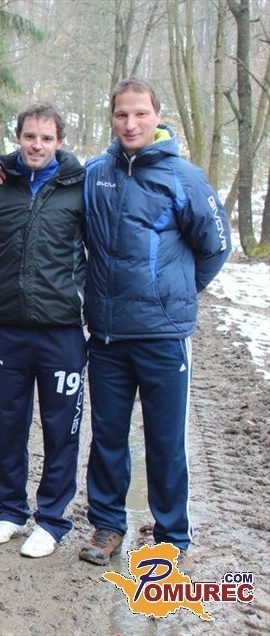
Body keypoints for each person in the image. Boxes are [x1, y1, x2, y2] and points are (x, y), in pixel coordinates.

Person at [78, 78, 231, 565]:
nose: (131, 123)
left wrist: (177, 292)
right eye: (122, 114)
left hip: (163, 337)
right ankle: (107, 526)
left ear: (157, 116)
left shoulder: (184, 177)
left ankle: (171, 535)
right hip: (107, 335)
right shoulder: (95, 174)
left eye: (140, 113)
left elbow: (216, 246)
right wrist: (4, 166)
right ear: (112, 117)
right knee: (107, 438)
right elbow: (50, 185)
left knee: (165, 441)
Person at [0, 103, 87, 558]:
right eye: (29, 137)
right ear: (18, 137)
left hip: (62, 333)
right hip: (7, 330)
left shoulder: (81, 187)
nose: (37, 145)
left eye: (46, 138)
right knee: (9, 425)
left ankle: (53, 520)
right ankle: (10, 510)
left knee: (62, 430)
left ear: (59, 141)